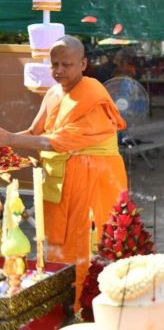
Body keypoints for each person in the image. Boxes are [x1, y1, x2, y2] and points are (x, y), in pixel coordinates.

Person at [0, 36, 128, 309]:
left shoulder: (92, 93)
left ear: (83, 63)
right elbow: (36, 132)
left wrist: (10, 138)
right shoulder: (54, 92)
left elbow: (56, 141)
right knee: (62, 239)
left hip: (97, 176)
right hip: (64, 175)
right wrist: (5, 145)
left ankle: (97, 300)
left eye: (66, 64)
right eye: (54, 64)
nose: (58, 70)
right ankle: (68, 296)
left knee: (97, 238)